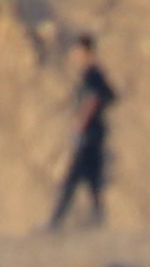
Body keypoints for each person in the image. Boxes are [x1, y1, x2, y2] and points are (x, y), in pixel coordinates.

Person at [44, 38, 114, 230]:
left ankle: (55, 221)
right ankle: (97, 219)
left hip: (89, 134)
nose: (74, 55)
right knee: (93, 180)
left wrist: (80, 124)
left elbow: (94, 98)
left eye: (76, 51)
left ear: (85, 52)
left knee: (72, 178)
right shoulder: (97, 73)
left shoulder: (91, 74)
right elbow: (110, 95)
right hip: (97, 134)